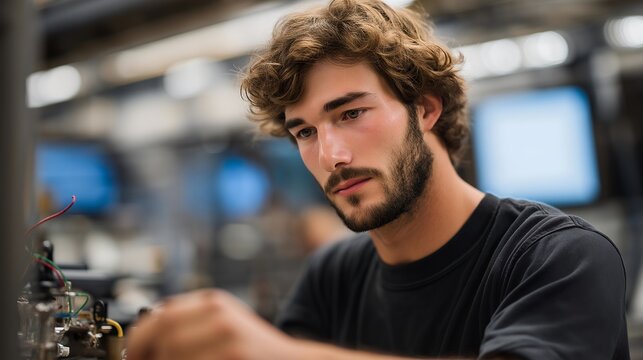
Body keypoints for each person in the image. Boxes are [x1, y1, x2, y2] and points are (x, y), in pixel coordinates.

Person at [126, 0, 630, 359]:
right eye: (304, 132)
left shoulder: (558, 257)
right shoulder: (333, 276)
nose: (330, 155)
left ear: (426, 108)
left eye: (350, 114)